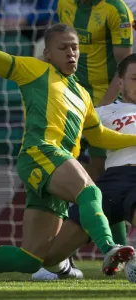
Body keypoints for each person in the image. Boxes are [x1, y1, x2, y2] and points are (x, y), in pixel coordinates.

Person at [0, 8, 136, 282]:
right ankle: (111, 248)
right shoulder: (33, 70)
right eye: (63, 48)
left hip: (55, 166)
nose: (71, 53)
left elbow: (100, 137)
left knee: (31, 259)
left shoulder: (82, 94)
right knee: (91, 193)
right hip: (40, 153)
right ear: (47, 53)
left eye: (75, 48)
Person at [32, 53, 136, 280]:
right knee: (50, 259)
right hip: (113, 180)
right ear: (120, 82)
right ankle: (71, 267)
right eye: (135, 78)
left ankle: (131, 263)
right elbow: (64, 131)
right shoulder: (103, 113)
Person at [58, 0, 134, 247]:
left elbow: (124, 66)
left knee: (101, 172)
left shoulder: (116, 9)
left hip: (106, 98)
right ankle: (62, 248)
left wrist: (101, 108)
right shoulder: (64, 4)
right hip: (75, 95)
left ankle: (115, 248)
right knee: (65, 167)